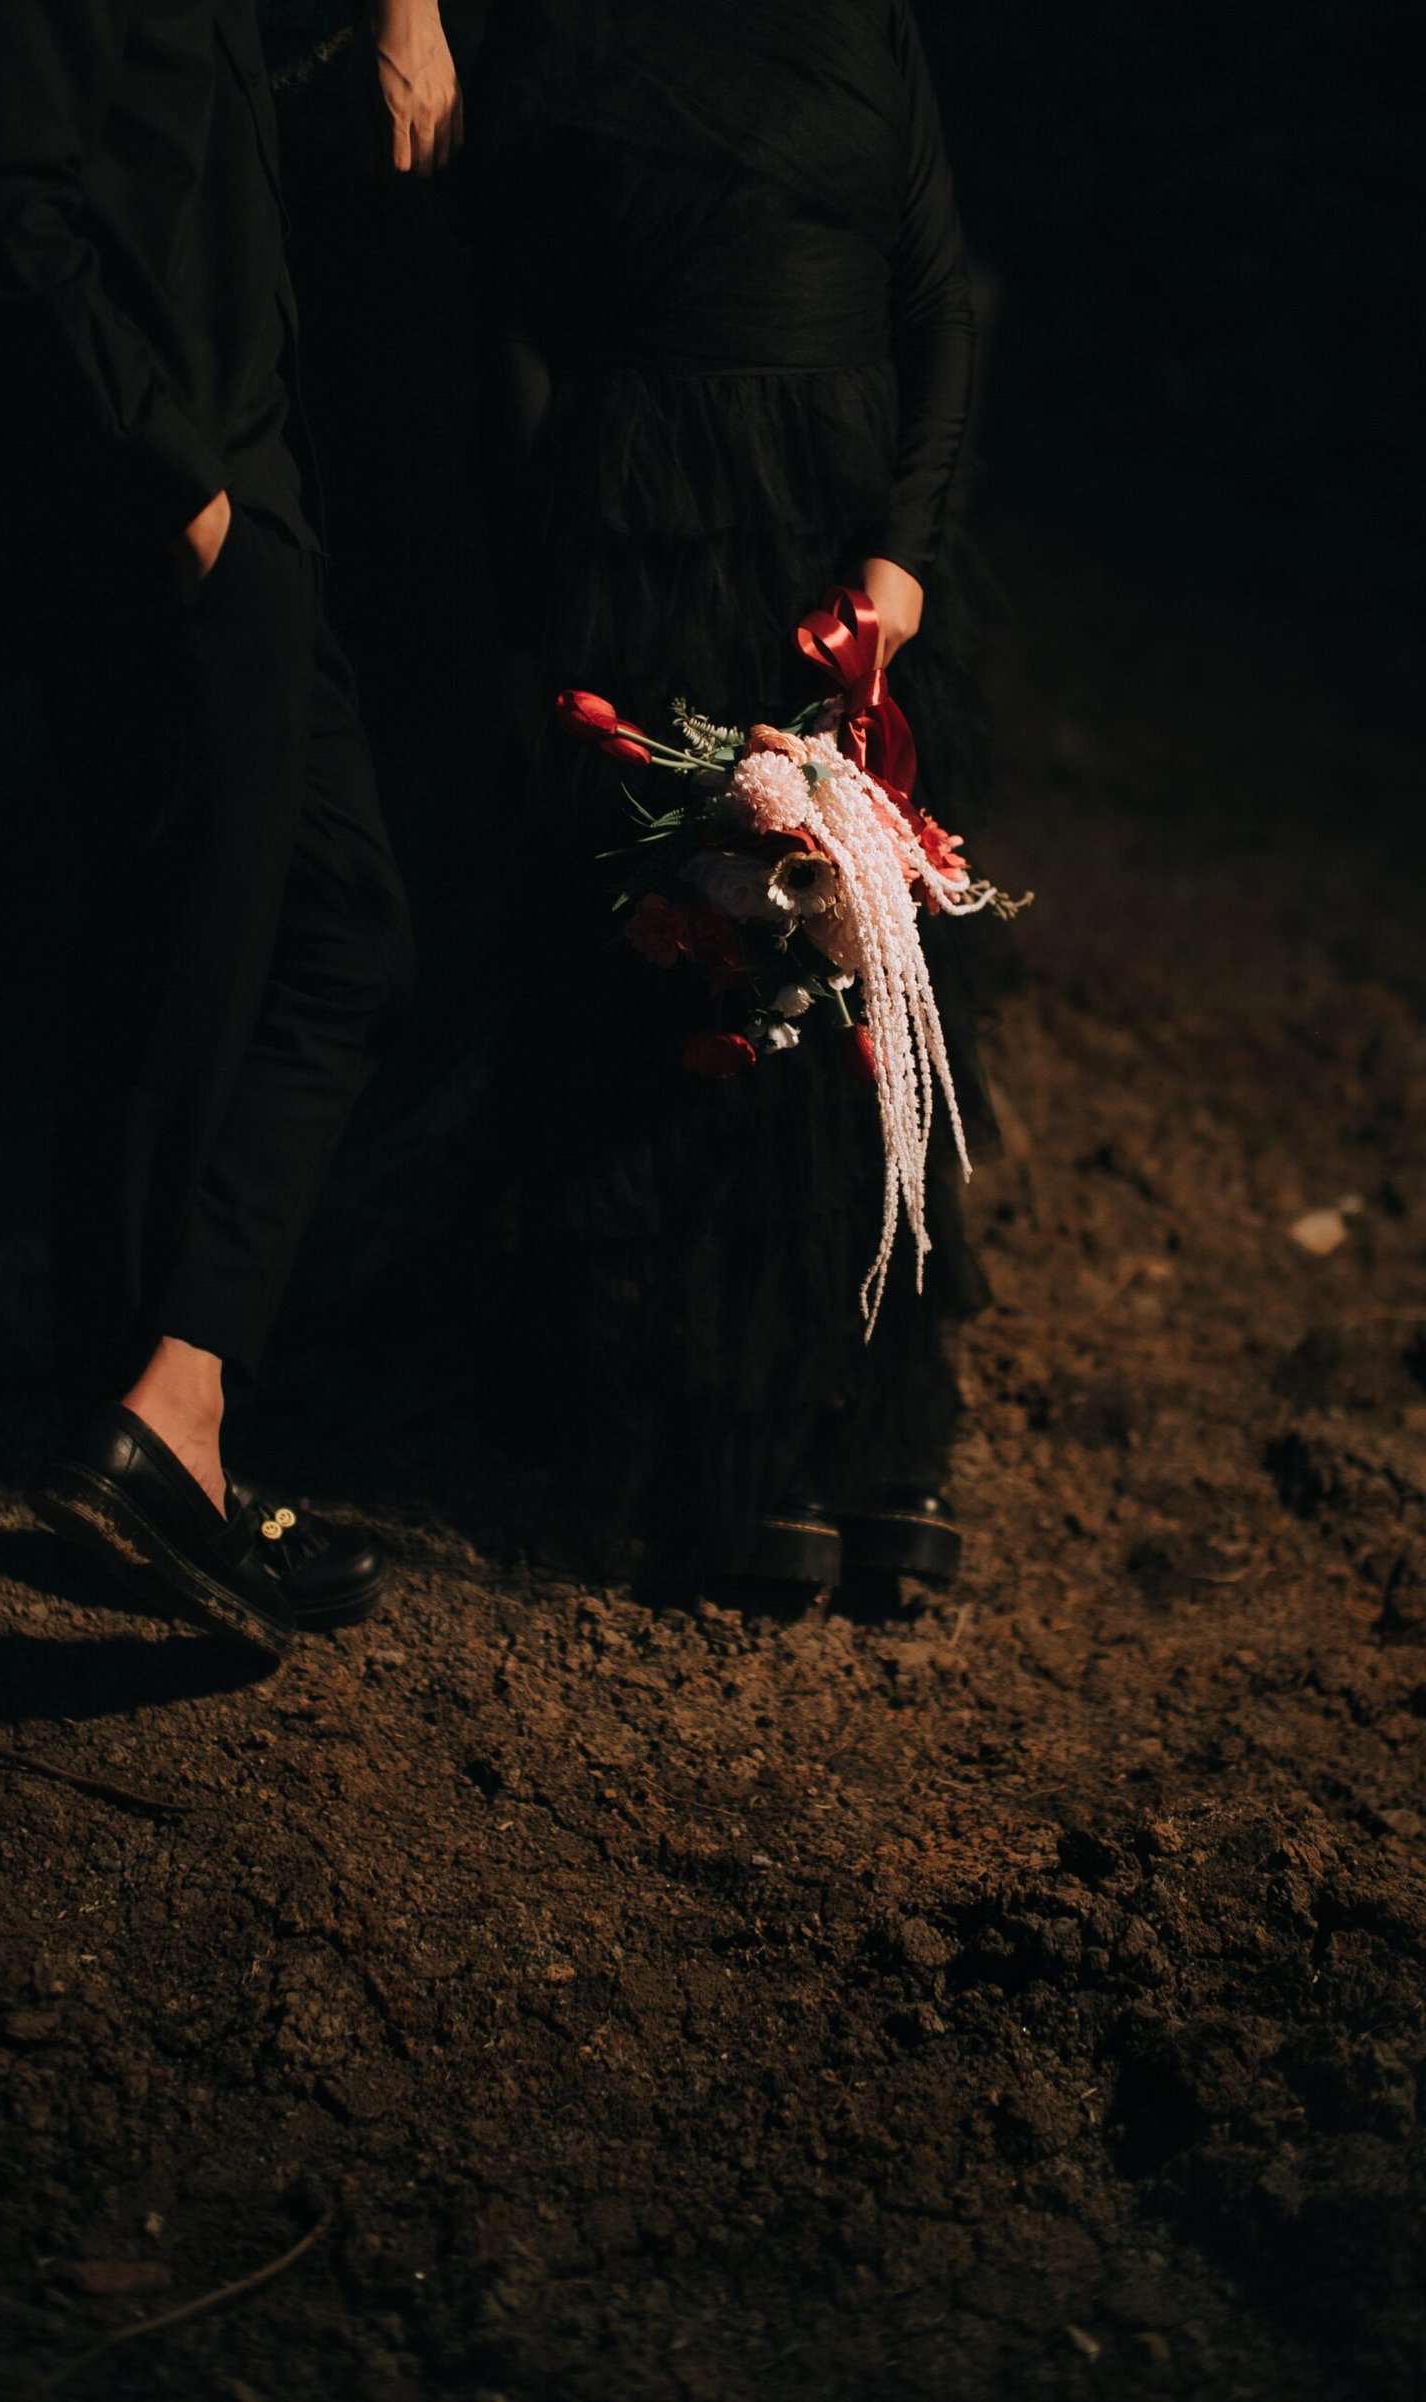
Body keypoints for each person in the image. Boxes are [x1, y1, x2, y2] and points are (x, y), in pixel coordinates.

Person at [0, 0, 462, 1655]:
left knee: (326, 935)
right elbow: (2, 200)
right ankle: (162, 1431)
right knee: (194, 974)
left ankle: (150, 1423)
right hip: (174, 517)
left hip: (241, 503)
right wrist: (179, 489)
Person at [470, 0, 994, 1598]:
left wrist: (905, 554)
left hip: (837, 545)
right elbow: (514, 327)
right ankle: (723, 1443)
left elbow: (941, 297)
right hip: (648, 537)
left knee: (857, 973)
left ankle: (860, 1426)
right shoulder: (569, 34)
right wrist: (529, 608)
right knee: (694, 973)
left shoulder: (863, 25)